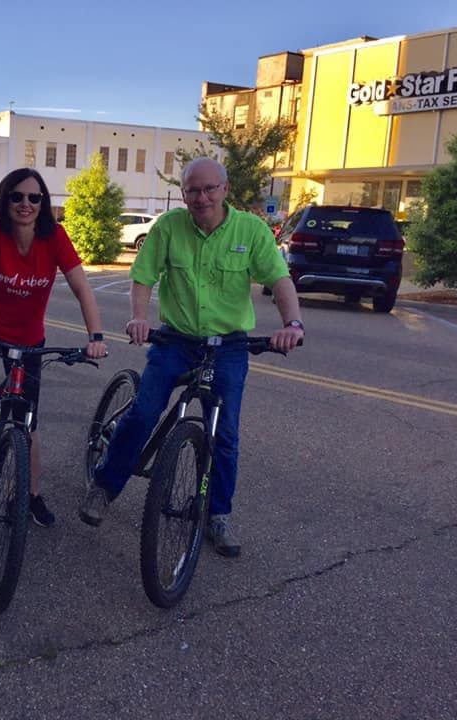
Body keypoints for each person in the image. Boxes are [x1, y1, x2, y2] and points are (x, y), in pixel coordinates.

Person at [79, 157, 305, 556]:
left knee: (226, 435)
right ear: (183, 194)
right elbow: (144, 277)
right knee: (145, 413)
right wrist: (138, 318)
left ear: (225, 189)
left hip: (229, 347)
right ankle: (104, 487)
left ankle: (217, 516)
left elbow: (279, 279)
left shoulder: (250, 230)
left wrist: (293, 325)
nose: (201, 198)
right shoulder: (168, 228)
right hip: (175, 341)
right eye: (192, 191)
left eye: (209, 189)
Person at [0, 167, 108, 527]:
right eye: (17, 196)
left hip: (27, 340)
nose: (26, 204)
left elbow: (82, 288)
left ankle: (31, 494)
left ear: (43, 203)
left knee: (27, 421)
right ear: (4, 200)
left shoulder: (55, 237)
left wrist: (96, 337)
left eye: (34, 197)